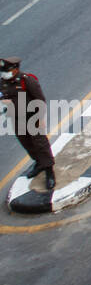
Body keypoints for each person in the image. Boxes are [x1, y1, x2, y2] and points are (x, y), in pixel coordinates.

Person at [0, 57, 55, 189]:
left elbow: (40, 99)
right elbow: (3, 95)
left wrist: (40, 118)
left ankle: (49, 171)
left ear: (15, 69)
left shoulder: (26, 80)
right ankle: (39, 163)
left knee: (40, 144)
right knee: (26, 142)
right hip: (17, 118)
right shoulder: (4, 82)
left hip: (32, 117)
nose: (3, 74)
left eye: (6, 71)